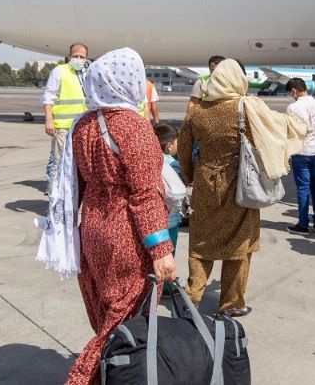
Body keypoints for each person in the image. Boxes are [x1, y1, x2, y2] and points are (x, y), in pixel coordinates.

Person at [51, 48, 176, 384]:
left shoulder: (83, 125)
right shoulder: (134, 128)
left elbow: (74, 184)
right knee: (121, 319)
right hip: (126, 237)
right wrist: (161, 249)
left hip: (92, 229)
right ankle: (83, 378)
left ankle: (114, 373)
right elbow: (144, 196)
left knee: (108, 315)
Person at [177, 59, 305, 317]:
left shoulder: (197, 111)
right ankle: (231, 303)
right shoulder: (246, 107)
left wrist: (191, 176)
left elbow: (183, 149)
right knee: (239, 245)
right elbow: (275, 129)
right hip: (239, 186)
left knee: (201, 243)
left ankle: (193, 296)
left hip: (205, 183)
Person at [285, 78, 315, 234]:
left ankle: (303, 224)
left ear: (294, 90)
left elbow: (290, 133)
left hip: (300, 151)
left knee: (302, 188)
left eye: (290, 93)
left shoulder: (292, 108)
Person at [41, 43, 89, 194]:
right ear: (69, 56)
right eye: (75, 56)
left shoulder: (87, 73)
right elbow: (48, 96)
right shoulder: (59, 71)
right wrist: (49, 120)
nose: (78, 59)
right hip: (63, 127)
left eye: (82, 57)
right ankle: (54, 199)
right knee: (60, 163)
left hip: (82, 128)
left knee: (81, 165)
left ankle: (72, 198)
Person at [155, 124, 183, 252]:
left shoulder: (151, 162)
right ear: (169, 145)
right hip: (171, 220)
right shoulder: (174, 165)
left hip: (155, 221)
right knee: (169, 254)